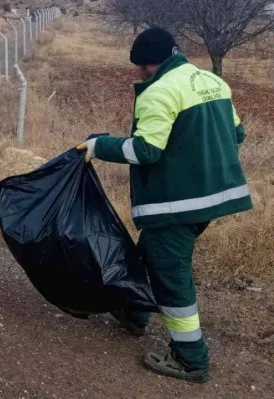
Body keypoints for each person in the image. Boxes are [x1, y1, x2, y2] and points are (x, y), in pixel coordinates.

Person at [77, 27, 252, 382]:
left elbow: (145, 150)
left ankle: (190, 359)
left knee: (171, 277)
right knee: (146, 256)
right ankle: (133, 313)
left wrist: (99, 144)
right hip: (214, 198)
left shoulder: (158, 92)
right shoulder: (212, 82)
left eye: (138, 67)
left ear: (147, 64)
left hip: (177, 204)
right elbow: (237, 134)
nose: (137, 73)